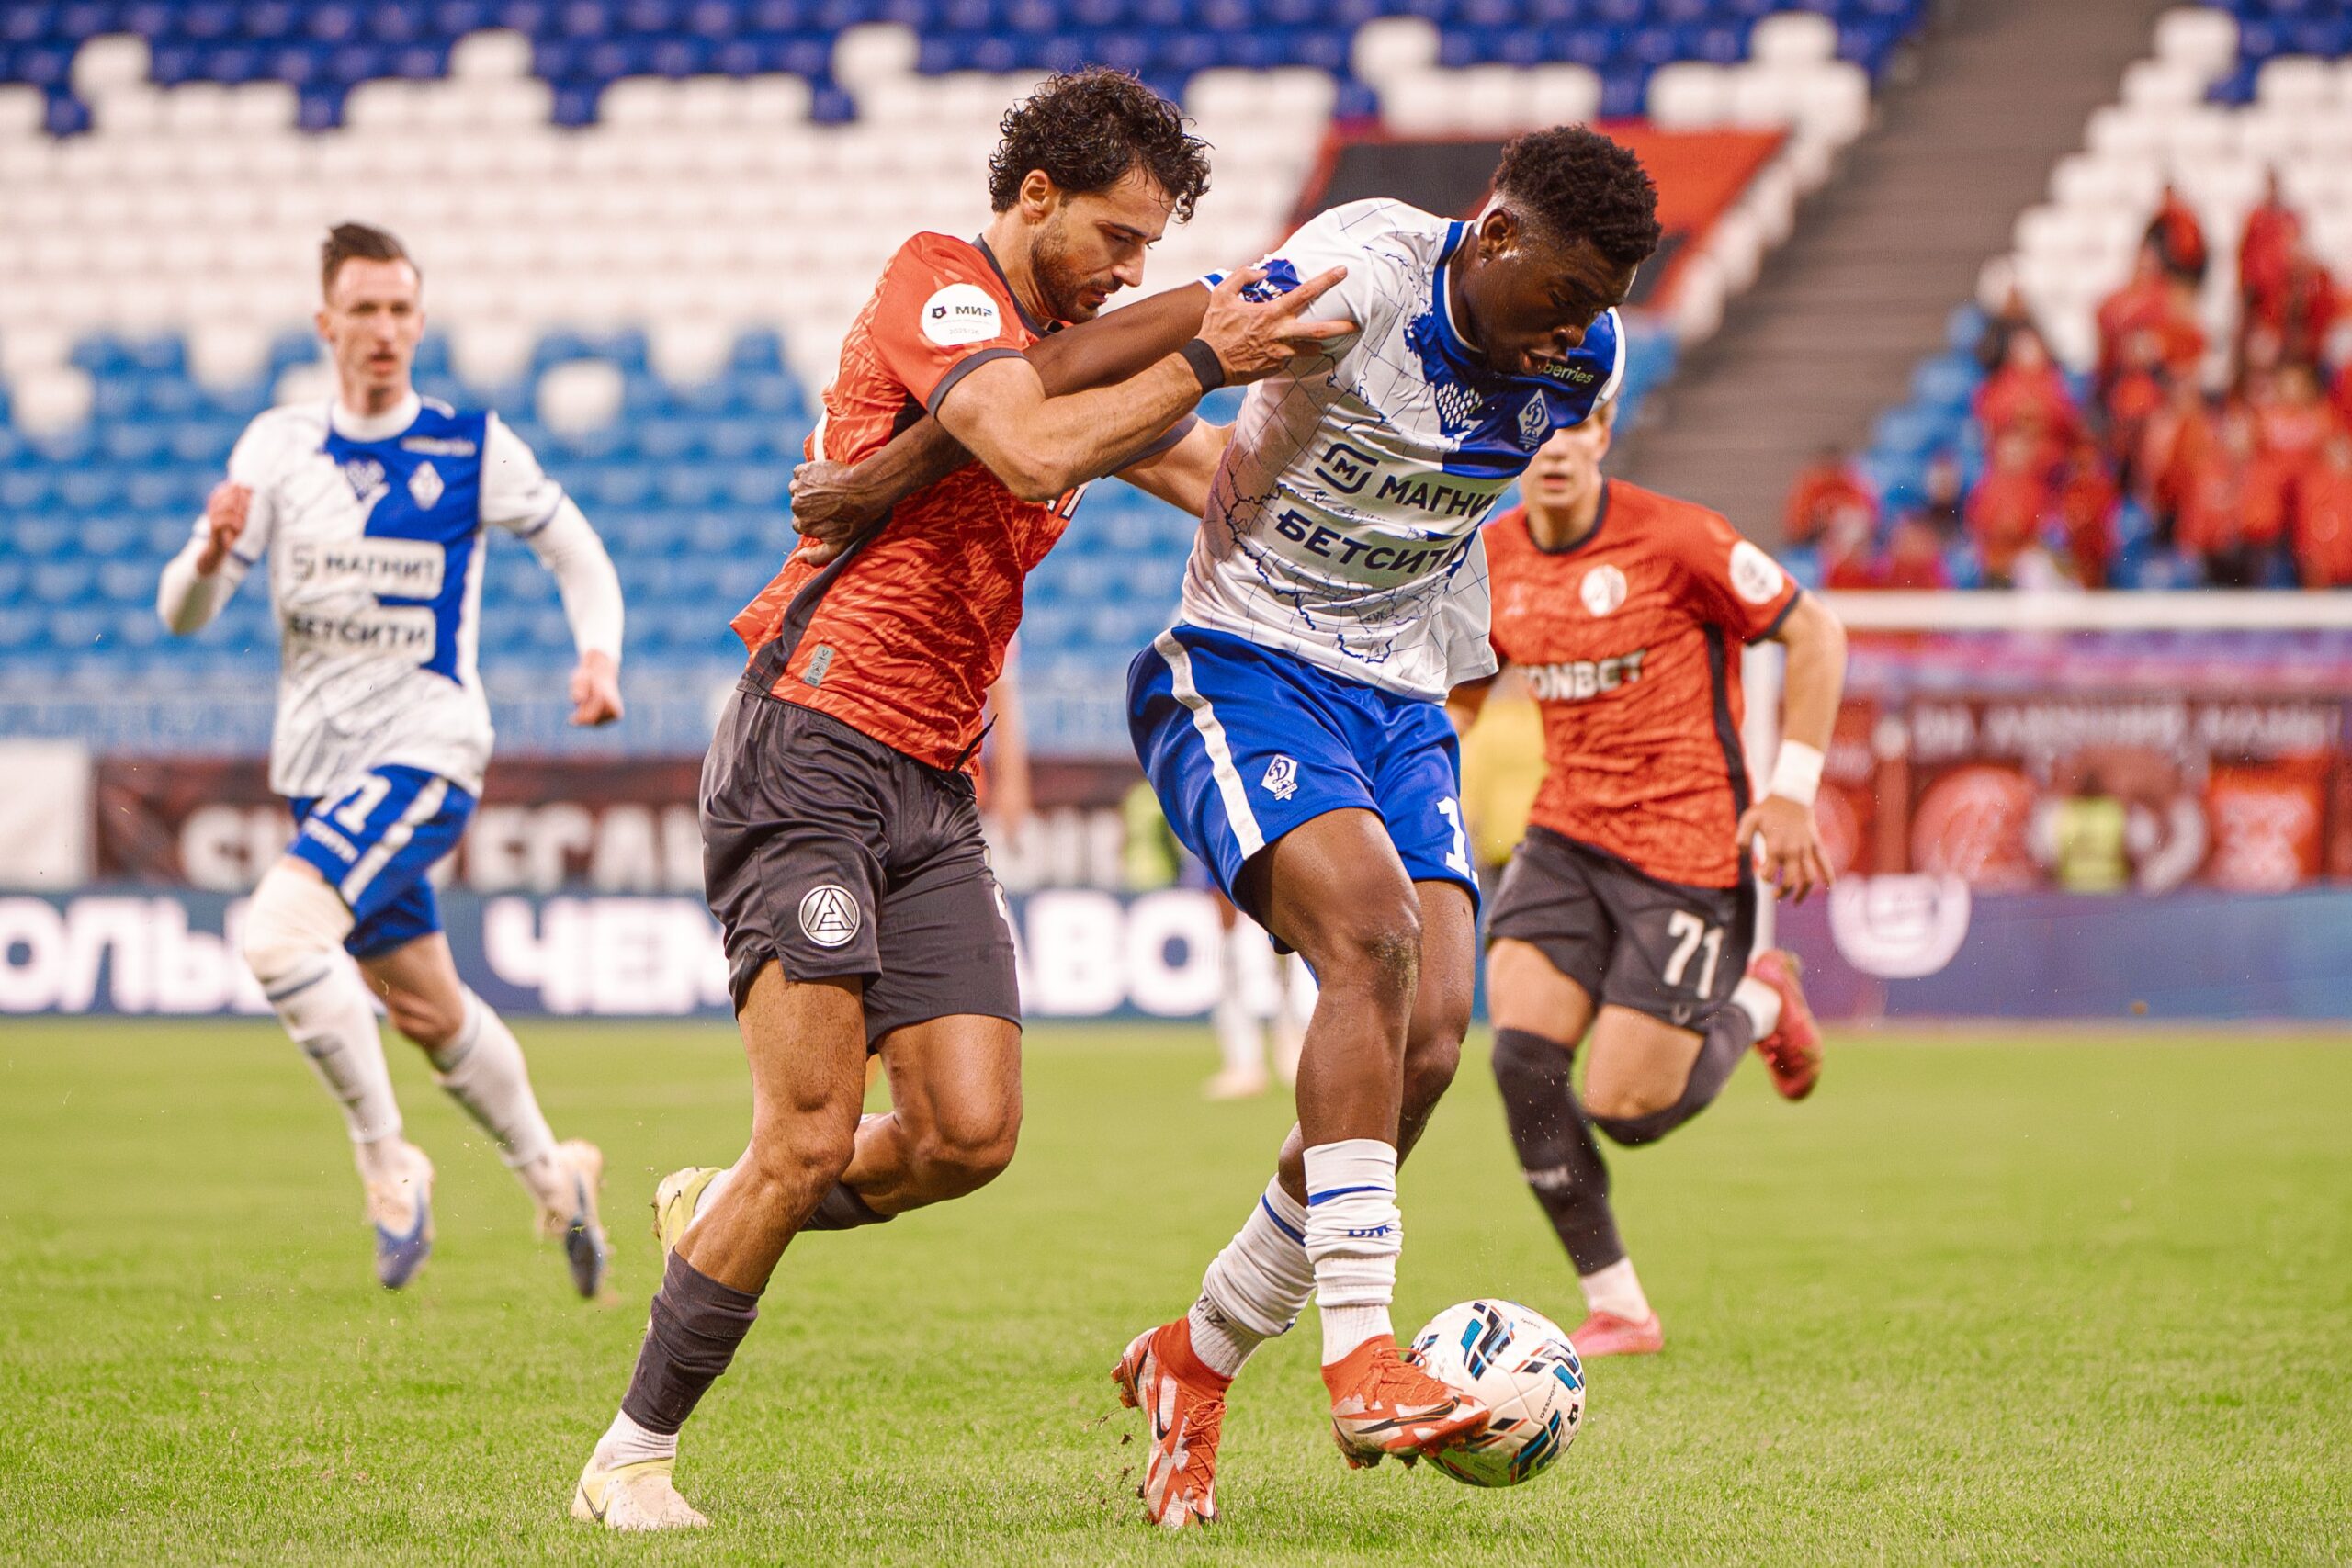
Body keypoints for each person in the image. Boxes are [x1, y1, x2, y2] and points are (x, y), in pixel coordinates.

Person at [798, 124, 1664, 1527]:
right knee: (1371, 942)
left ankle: (1195, 1353)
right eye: (1562, 295)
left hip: (1399, 700)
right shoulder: (1357, 274)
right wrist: (884, 471)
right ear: (1496, 236)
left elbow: (1441, 517)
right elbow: (1078, 370)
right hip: (1247, 664)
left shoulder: (1587, 358)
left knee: (1432, 1040)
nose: (1574, 329)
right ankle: (1362, 1353)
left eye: (1599, 306)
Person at [568, 69, 1351, 1532]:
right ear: (1037, 196)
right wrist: (1204, 348)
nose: (1127, 268)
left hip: (932, 776)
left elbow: (1206, 475)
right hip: (808, 745)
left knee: (965, 1135)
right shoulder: (940, 279)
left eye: (1150, 249)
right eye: (1116, 237)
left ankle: (719, 1206)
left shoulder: (1075, 352)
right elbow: (1033, 443)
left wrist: (1380, 508)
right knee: (809, 1130)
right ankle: (630, 1454)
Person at [154, 223, 626, 1296]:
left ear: (420, 321)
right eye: (362, 310)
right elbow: (183, 614)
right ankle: (555, 1175)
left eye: (400, 310)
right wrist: (211, 551)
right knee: (428, 1012)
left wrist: (597, 654)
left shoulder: (469, 445)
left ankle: (387, 1165)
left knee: (278, 937)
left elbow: (577, 551)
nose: (383, 329)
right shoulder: (277, 447)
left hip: (427, 751)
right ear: (325, 323)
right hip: (319, 771)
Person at [1448, 398, 1843, 1357]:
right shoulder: (1490, 560)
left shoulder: (1677, 540)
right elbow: (1460, 696)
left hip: (1687, 853)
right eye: (1536, 427)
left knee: (1626, 1111)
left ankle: (1759, 998)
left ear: (1604, 430)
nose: (1555, 446)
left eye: (1575, 425)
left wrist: (1791, 792)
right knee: (1520, 1062)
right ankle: (1619, 1306)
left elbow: (1817, 634)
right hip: (1564, 836)